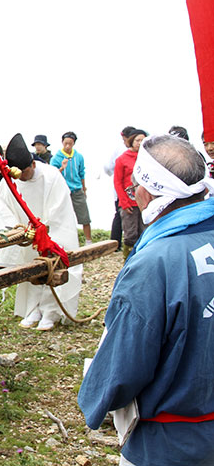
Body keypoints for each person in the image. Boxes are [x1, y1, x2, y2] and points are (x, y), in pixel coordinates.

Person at [78, 134, 214, 466]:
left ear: (151, 192)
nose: (133, 192)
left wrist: (95, 392)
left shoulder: (154, 264)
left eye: (135, 185)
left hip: (169, 444)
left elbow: (122, 367)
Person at [0, 134, 82, 331]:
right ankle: (32, 309)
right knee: (29, 267)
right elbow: (3, 208)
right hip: (27, 236)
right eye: (18, 174)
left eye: (24, 172)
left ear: (32, 164)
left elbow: (60, 207)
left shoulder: (51, 176)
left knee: (51, 266)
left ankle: (51, 311)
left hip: (49, 232)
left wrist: (43, 228)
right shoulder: (10, 182)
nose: (22, 177)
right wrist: (17, 229)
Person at [50, 131, 92, 244]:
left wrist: (84, 188)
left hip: (77, 189)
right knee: (64, 218)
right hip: (63, 190)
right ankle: (65, 241)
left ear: (74, 143)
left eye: (70, 143)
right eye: (66, 143)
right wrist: (62, 168)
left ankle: (88, 241)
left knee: (84, 217)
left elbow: (81, 173)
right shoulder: (56, 158)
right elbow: (52, 175)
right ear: (62, 142)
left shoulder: (78, 157)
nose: (68, 146)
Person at [114, 129, 148, 259]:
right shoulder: (122, 159)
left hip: (145, 201)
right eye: (137, 140)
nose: (140, 143)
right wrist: (123, 202)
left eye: (143, 140)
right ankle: (128, 261)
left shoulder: (148, 157)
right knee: (130, 234)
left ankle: (144, 259)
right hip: (129, 201)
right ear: (131, 141)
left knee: (145, 231)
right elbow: (117, 182)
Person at [103, 126, 137, 249]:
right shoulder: (122, 152)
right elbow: (109, 169)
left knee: (121, 216)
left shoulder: (135, 151)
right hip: (123, 190)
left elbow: (107, 168)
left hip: (132, 191)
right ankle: (116, 243)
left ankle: (116, 243)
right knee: (121, 215)